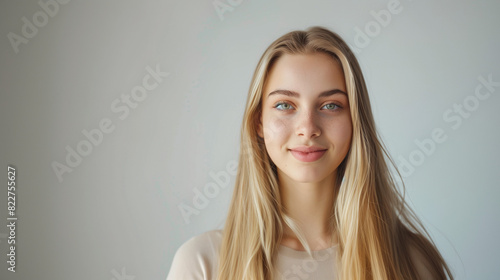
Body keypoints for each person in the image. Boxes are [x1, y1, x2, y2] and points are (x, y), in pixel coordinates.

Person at [167, 26, 453, 280]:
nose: (308, 128)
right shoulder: (202, 264)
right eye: (284, 105)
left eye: (330, 105)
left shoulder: (413, 262)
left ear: (356, 121)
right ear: (258, 122)